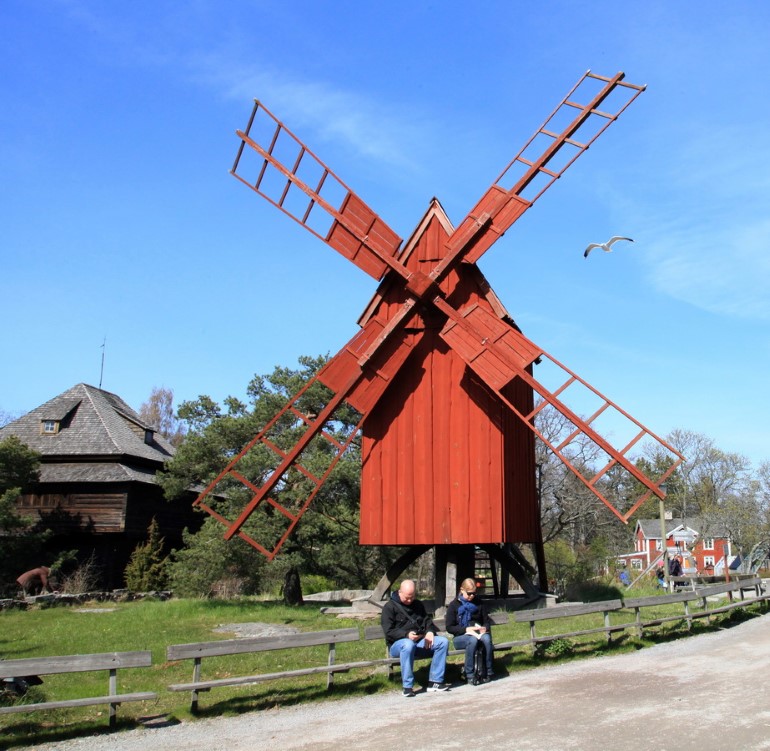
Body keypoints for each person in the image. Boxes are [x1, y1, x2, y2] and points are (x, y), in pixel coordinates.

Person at [381, 579, 450, 697]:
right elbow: (389, 631)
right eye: (407, 597)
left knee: (443, 642)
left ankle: (435, 682)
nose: (409, 600)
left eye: (412, 597)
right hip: (398, 645)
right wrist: (406, 635)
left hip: (418, 642)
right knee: (408, 644)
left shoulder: (418, 605)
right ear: (399, 592)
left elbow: (427, 622)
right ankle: (407, 686)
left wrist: (429, 632)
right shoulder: (389, 607)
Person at [444, 578, 495, 684]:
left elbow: (486, 621)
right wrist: (466, 629)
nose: (472, 596)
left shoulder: (479, 603)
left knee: (486, 638)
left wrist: (484, 628)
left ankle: (488, 671)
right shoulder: (454, 605)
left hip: (478, 633)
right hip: (461, 636)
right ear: (462, 590)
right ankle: (469, 674)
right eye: (469, 593)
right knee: (472, 640)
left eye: (474, 593)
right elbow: (449, 627)